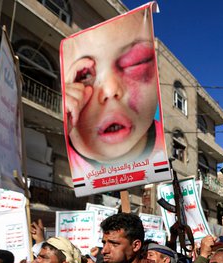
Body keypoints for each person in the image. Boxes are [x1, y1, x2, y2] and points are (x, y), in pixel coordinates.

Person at [61, 6, 164, 167]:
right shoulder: (65, 161)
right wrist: (65, 123)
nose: (110, 90)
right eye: (84, 76)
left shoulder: (163, 147)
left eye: (135, 63)